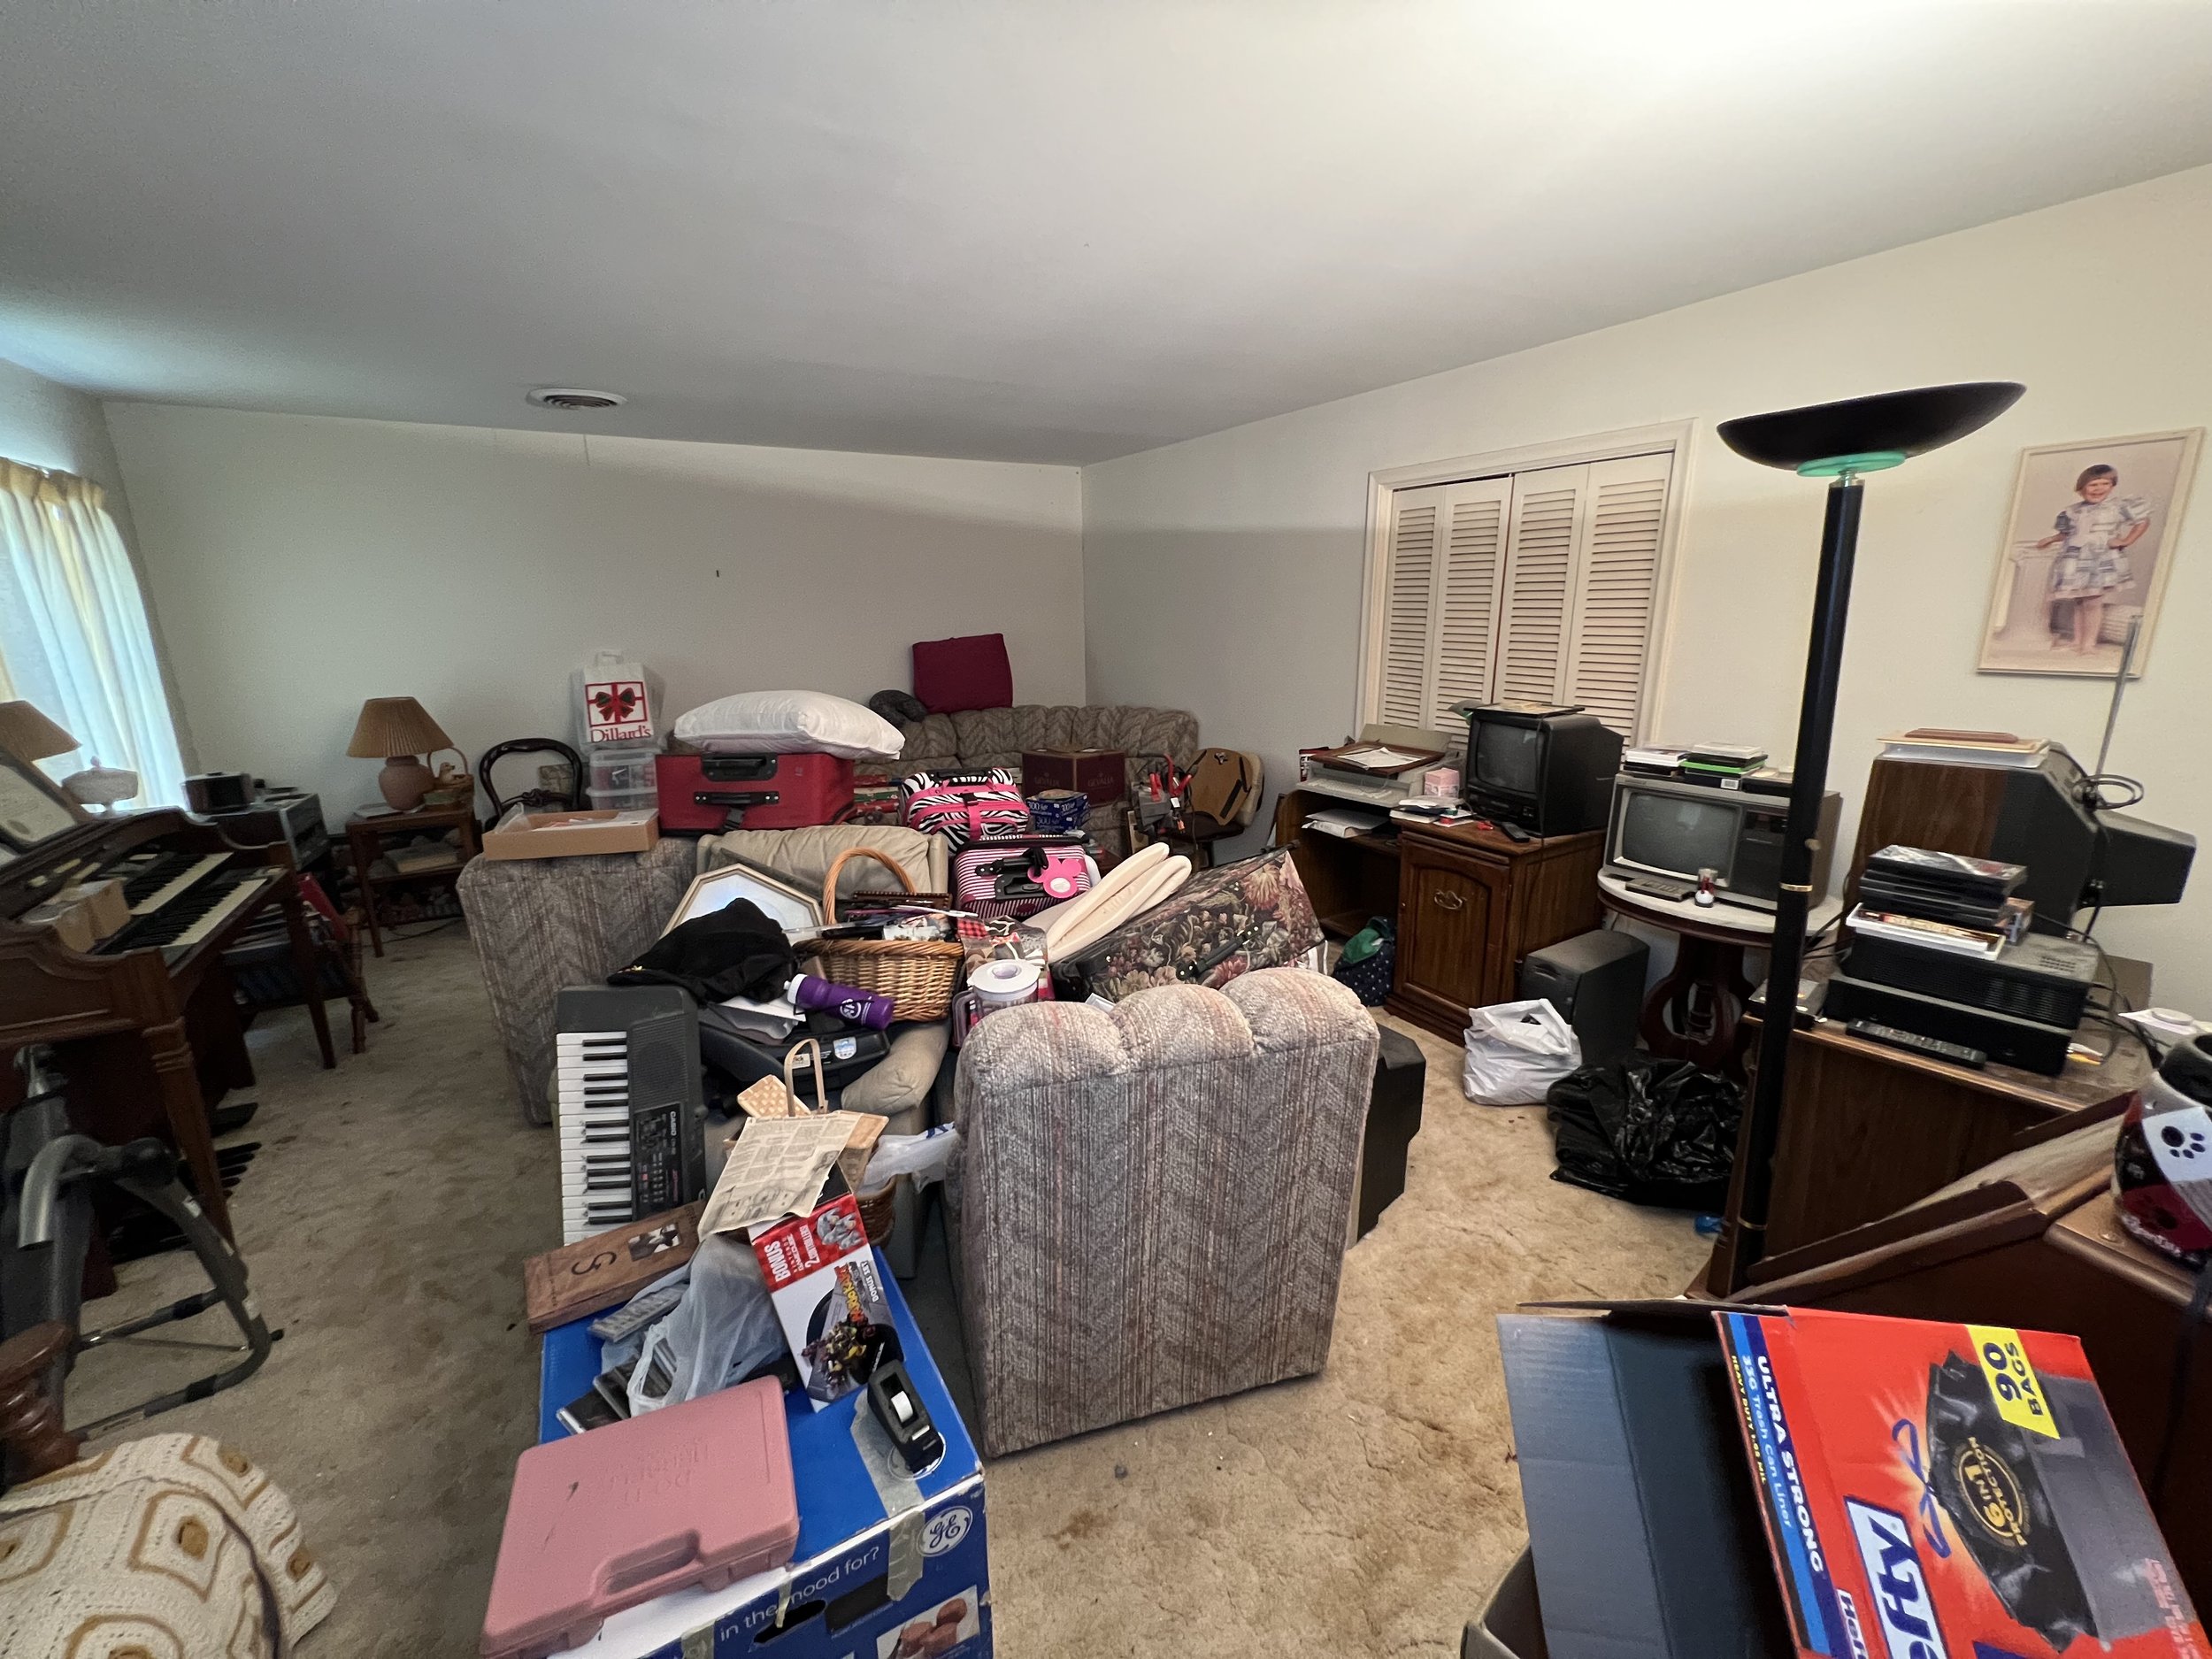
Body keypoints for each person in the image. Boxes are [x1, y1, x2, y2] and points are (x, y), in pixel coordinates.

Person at [2036, 463, 2150, 653]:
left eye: (2105, 484)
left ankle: (2089, 644)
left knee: (2093, 602)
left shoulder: (2117, 507)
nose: (2099, 489)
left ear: (2112, 486)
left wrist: (2127, 540)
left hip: (2099, 559)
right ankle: (2077, 641)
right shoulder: (2073, 511)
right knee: (2080, 601)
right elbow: (2068, 533)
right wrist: (2051, 539)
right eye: (2093, 485)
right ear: (2081, 489)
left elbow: (2143, 521)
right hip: (2075, 559)